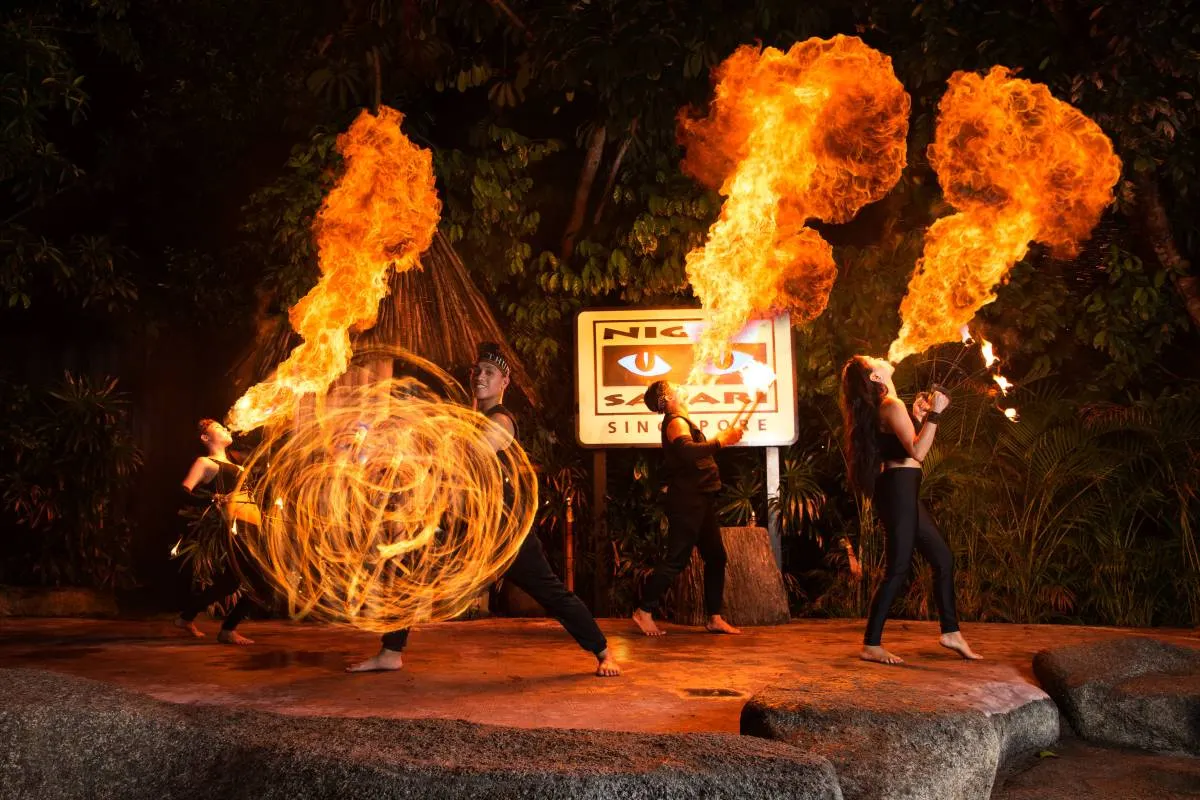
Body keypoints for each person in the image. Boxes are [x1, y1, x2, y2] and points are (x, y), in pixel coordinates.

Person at [348, 343, 621, 677]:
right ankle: (391, 651)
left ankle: (604, 651)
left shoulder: (500, 421)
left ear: (504, 382)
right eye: (477, 371)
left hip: (504, 533)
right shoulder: (470, 420)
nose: (481, 377)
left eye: (490, 373)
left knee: (552, 594)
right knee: (409, 566)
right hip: (468, 529)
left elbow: (470, 457)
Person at [839, 356, 982, 665]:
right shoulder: (890, 405)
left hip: (901, 490)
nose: (881, 357)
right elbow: (918, 452)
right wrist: (935, 415)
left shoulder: (886, 407)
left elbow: (905, 445)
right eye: (873, 359)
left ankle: (951, 631)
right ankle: (871, 643)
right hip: (899, 490)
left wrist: (918, 418)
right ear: (876, 377)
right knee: (898, 569)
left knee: (942, 557)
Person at [631, 380, 743, 637]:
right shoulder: (675, 422)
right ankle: (644, 611)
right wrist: (722, 441)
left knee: (716, 556)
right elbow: (688, 452)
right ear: (668, 397)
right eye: (674, 386)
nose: (681, 386)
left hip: (701, 499)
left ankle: (714, 617)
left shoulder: (682, 419)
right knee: (677, 559)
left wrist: (725, 440)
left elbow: (697, 456)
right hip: (687, 501)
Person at [174, 418, 263, 645]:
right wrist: (212, 499)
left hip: (254, 526)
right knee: (262, 580)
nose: (224, 428)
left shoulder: (239, 465)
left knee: (231, 582)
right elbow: (184, 491)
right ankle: (228, 629)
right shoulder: (206, 462)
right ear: (205, 438)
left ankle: (187, 617)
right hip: (235, 527)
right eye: (218, 428)